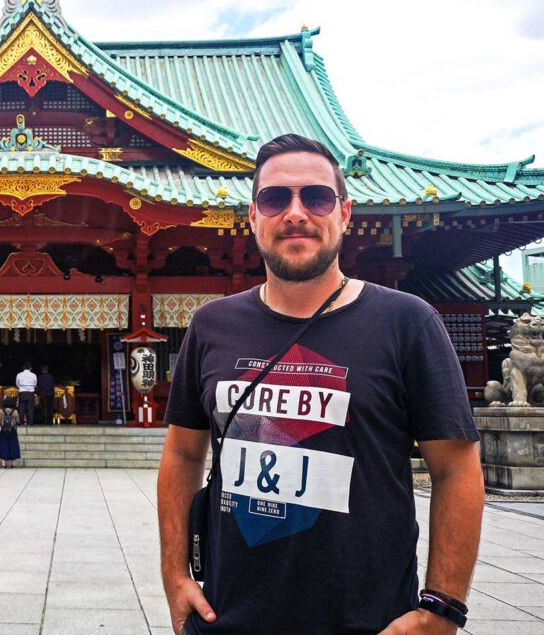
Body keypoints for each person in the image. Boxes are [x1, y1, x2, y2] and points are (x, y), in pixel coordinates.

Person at [157, 134, 485, 635]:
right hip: (226, 617)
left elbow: (456, 467)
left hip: (369, 620)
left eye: (316, 196)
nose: (295, 213)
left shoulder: (405, 322)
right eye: (274, 198)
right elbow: (181, 454)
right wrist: (174, 576)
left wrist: (442, 608)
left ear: (345, 212)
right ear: (252, 217)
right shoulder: (211, 325)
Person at [0, 395, 22, 468]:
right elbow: (18, 421)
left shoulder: (1, 411)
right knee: (13, 445)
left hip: (3, 430)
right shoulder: (15, 411)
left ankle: (3, 464)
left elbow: (0, 421)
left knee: (3, 445)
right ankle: (13, 464)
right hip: (13, 431)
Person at [15, 362, 37, 426]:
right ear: (30, 368)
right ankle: (30, 423)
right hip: (30, 393)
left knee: (22, 408)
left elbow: (17, 384)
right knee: (30, 408)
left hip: (22, 393)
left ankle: (21, 423)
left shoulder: (19, 375)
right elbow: (35, 384)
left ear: (23, 367)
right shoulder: (33, 375)